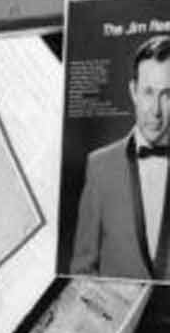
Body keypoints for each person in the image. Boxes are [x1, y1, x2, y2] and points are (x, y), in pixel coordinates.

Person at [68, 36, 170, 280]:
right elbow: (81, 271)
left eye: (167, 95)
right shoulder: (99, 166)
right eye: (148, 92)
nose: (155, 110)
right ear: (133, 92)